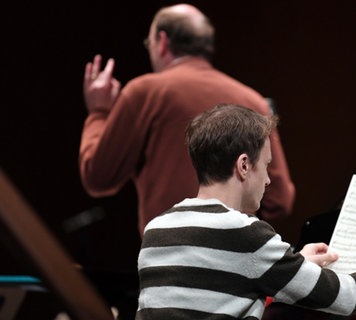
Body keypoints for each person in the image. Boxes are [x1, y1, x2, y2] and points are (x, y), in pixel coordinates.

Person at [136, 103, 356, 319]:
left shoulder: (157, 229)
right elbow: (347, 297)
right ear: (244, 165)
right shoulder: (245, 233)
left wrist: (295, 265)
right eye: (267, 165)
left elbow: (220, 281)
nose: (269, 178)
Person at [79, 3, 295, 236]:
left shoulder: (145, 92)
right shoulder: (253, 101)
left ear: (162, 42)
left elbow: (98, 177)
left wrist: (99, 112)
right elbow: (280, 201)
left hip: (171, 257)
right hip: (239, 260)